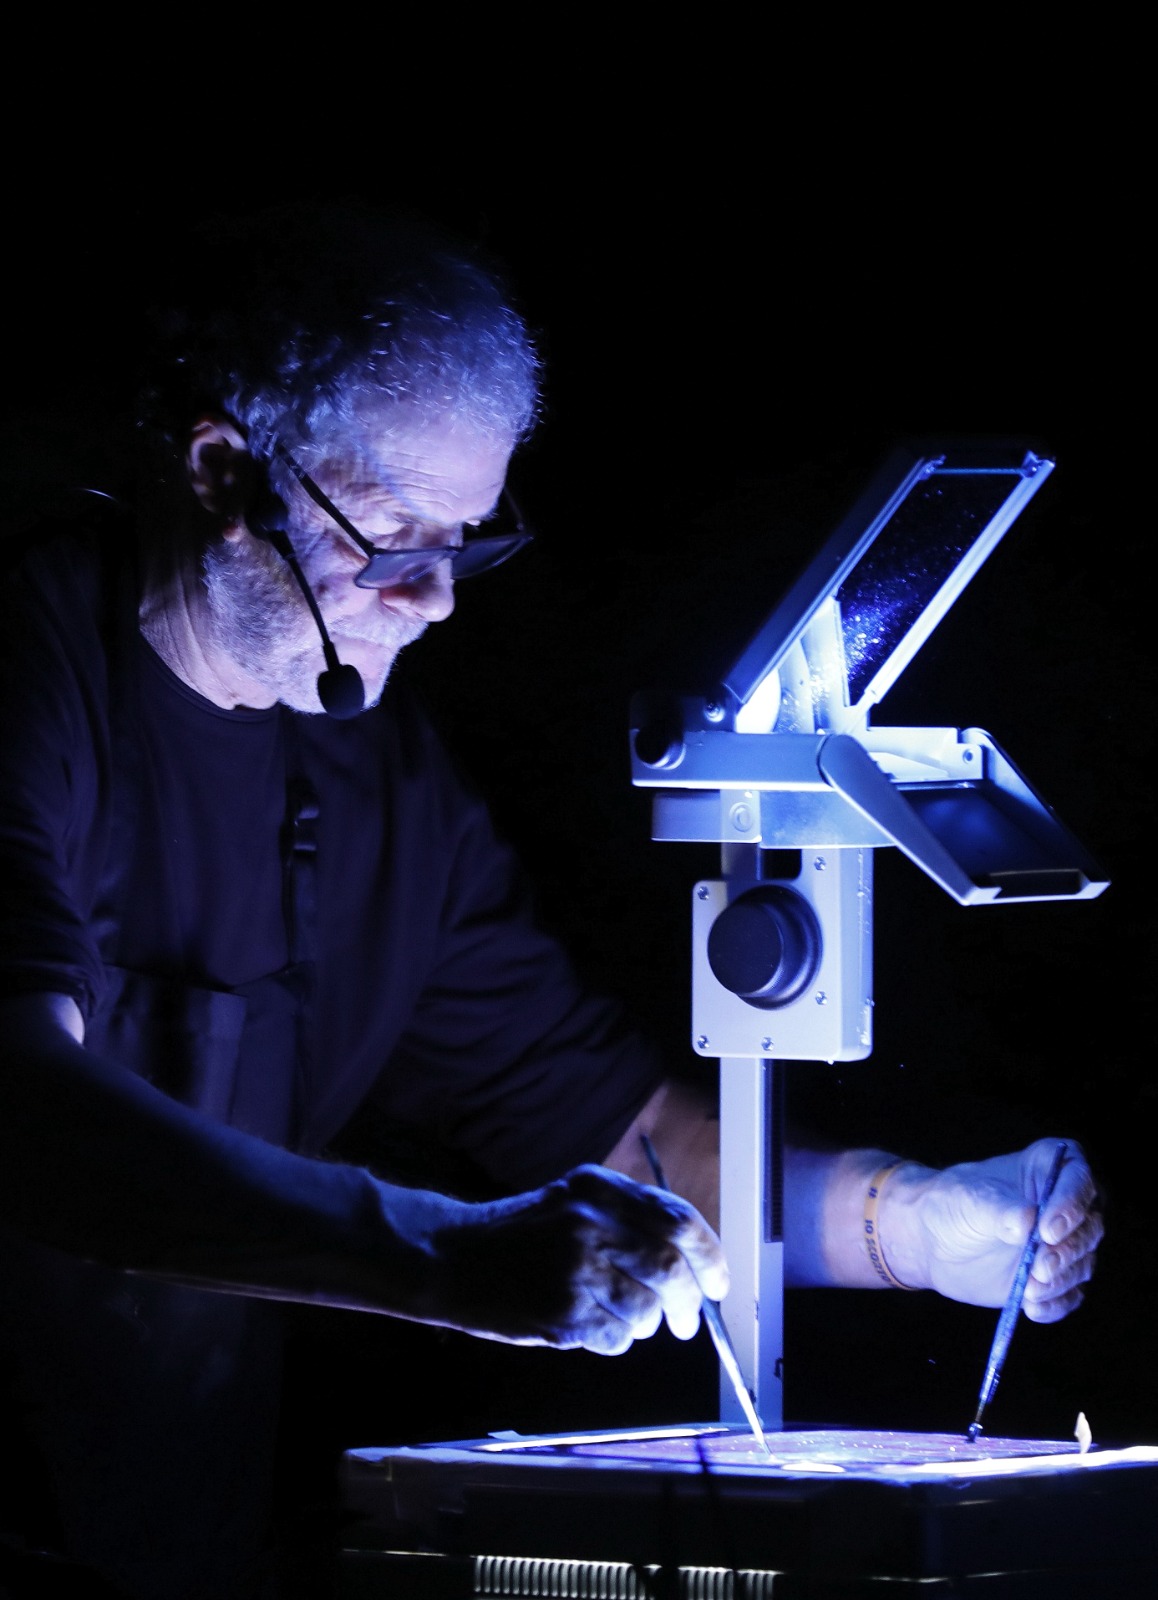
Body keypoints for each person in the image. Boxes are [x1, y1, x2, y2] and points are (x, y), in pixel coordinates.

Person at [0, 203, 1102, 1599]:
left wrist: (917, 1221)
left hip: (171, 1543)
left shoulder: (374, 779)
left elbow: (634, 1150)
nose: (437, 597)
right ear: (224, 471)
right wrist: (452, 1258)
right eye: (391, 536)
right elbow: (25, 1121)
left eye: (464, 539)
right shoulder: (34, 666)